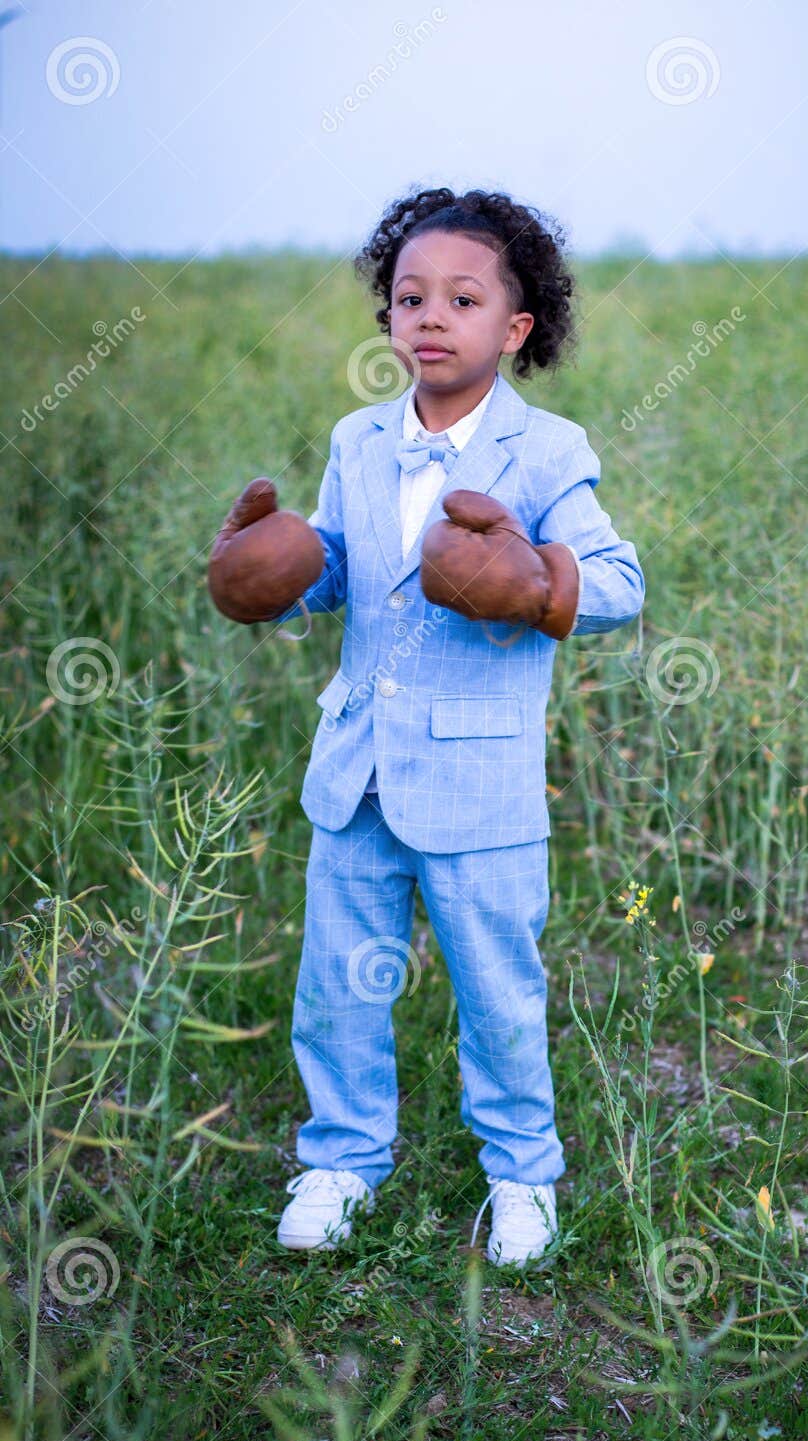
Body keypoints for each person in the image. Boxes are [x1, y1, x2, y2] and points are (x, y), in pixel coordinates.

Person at [207, 186, 644, 1265]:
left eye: (461, 297)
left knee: (497, 986)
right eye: (409, 297)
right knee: (339, 978)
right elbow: (342, 569)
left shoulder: (544, 452)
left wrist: (534, 580)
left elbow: (620, 581)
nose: (431, 315)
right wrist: (276, 575)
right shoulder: (358, 440)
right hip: (356, 770)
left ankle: (520, 1174)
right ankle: (341, 1158)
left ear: (516, 325)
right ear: (388, 318)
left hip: (480, 785)